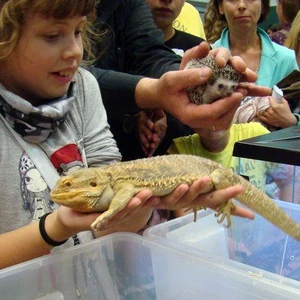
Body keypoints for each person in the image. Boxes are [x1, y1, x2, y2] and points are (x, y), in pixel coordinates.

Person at [0, 0, 254, 270]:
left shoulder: (83, 86)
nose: (74, 50)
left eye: (78, 31)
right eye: (52, 36)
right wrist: (55, 227)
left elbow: (110, 225)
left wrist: (144, 203)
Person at [90, 0, 271, 161]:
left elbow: (150, 55)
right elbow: (76, 78)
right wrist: (151, 94)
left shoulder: (128, 5)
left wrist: (190, 77)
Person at [168, 121, 293, 218]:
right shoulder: (179, 152)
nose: (213, 115)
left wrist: (281, 237)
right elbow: (186, 224)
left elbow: (289, 178)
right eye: (203, 107)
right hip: (213, 244)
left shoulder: (256, 134)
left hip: (259, 237)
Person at [210, 0, 299, 129]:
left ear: (263, 6)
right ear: (220, 7)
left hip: (270, 147)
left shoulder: (287, 59)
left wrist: (292, 121)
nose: (241, 5)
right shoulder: (207, 57)